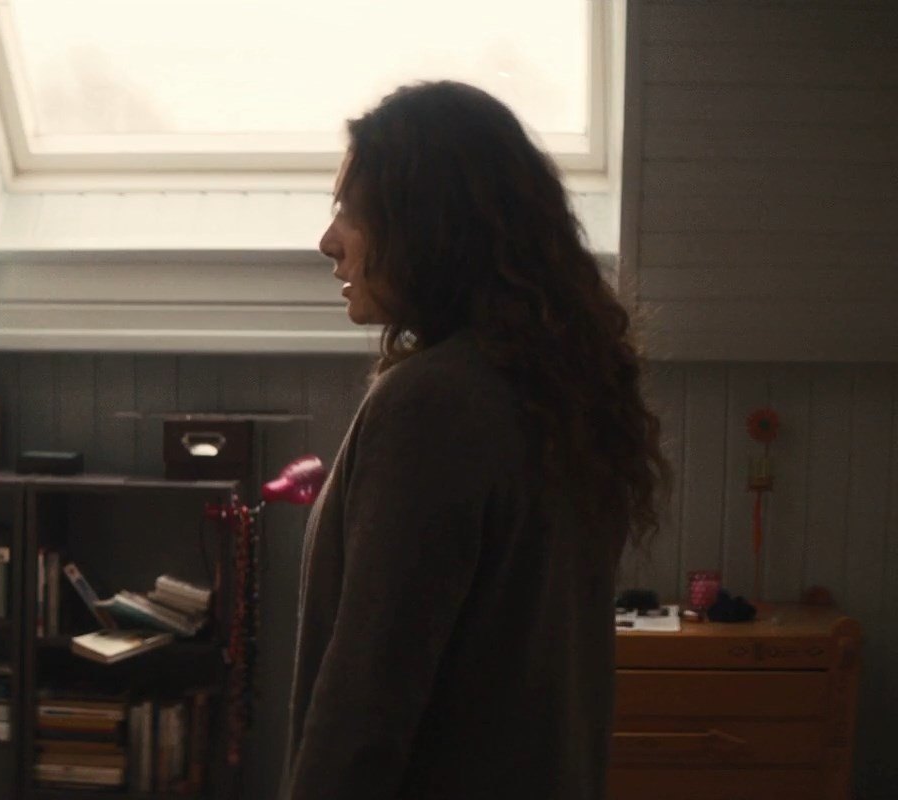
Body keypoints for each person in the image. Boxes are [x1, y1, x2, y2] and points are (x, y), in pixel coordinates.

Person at [286, 81, 669, 799]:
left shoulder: (432, 405)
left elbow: (366, 704)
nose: (329, 242)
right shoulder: (562, 394)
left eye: (352, 213)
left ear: (429, 226)